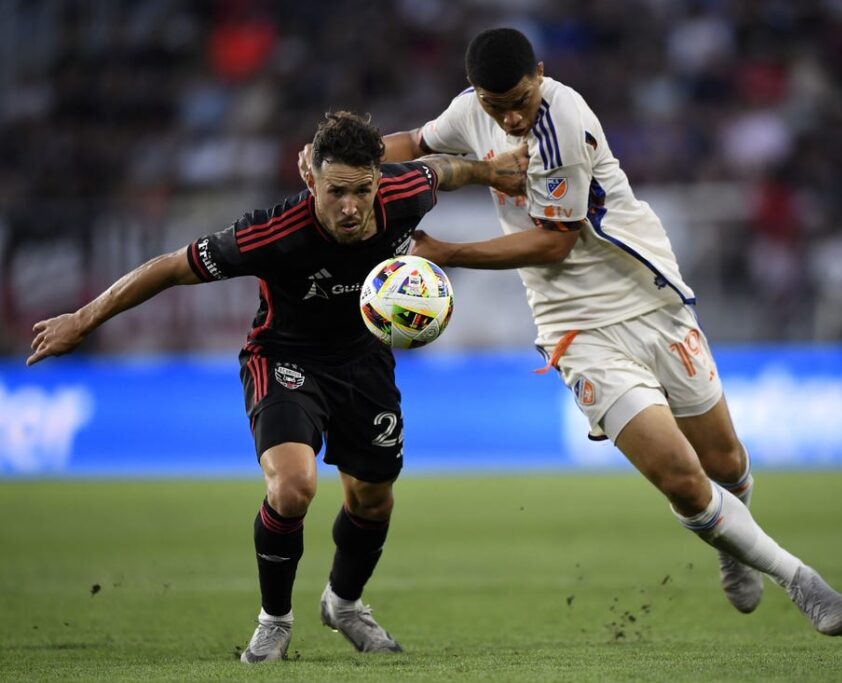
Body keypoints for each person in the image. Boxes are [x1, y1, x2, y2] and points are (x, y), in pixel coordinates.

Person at [302, 27, 842, 635]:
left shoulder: (562, 121)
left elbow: (554, 243)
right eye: (497, 106)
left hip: (647, 297)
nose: (511, 116)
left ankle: (734, 546)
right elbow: (412, 141)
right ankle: (799, 579)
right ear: (477, 96)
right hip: (576, 328)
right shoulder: (472, 109)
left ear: (539, 74)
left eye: (520, 99)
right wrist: (340, 158)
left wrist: (446, 252)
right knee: (681, 478)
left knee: (725, 460)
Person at [27, 111, 526, 662]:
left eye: (363, 190)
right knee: (293, 488)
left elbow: (440, 170)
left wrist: (491, 171)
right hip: (285, 357)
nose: (352, 207)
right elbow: (171, 267)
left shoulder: (404, 191)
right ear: (311, 180)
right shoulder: (272, 234)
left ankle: (344, 603)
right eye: (336, 191)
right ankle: (275, 622)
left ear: (379, 179)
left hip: (364, 361)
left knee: (373, 499)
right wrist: (83, 318)